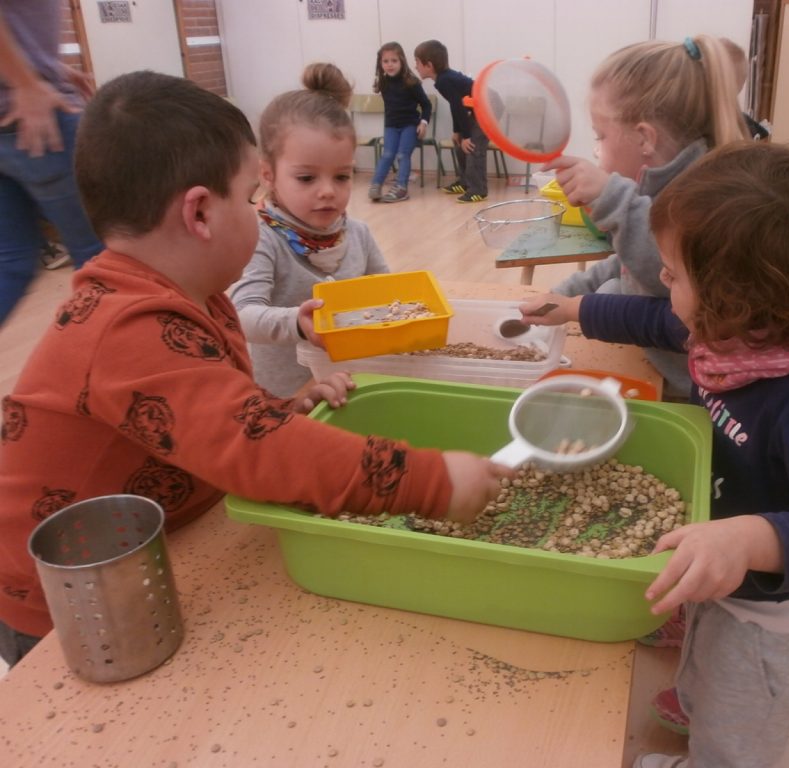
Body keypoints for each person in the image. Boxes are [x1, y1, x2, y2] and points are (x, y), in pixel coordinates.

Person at [0, 71, 514, 669]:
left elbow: (211, 413)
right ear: (200, 212)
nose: (259, 211)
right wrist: (431, 482)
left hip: (168, 536)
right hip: (72, 601)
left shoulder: (196, 296)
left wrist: (280, 408)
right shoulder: (125, 328)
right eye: (250, 198)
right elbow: (256, 448)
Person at [518, 141, 789, 768]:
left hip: (768, 617)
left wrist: (748, 539)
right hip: (724, 574)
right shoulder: (731, 336)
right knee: (703, 673)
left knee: (735, 735)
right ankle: (699, 710)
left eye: (674, 274)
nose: (662, 280)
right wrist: (573, 308)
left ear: (734, 301)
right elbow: (654, 322)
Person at [541, 37, 750, 400]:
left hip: (693, 390)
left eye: (600, 136)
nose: (596, 151)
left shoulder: (706, 195)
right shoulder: (660, 180)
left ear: (644, 138)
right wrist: (562, 294)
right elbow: (624, 265)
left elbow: (668, 276)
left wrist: (616, 202)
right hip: (655, 358)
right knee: (609, 289)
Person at [229, 62, 389, 398]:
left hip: (351, 383)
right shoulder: (261, 237)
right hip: (284, 400)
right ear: (268, 174)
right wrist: (297, 323)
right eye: (306, 178)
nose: (328, 191)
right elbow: (242, 315)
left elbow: (387, 294)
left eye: (342, 176)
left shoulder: (357, 234)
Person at [0, 0, 103, 325]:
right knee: (105, 258)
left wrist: (51, 67)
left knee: (11, 261)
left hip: (12, 118)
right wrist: (26, 83)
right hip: (36, 120)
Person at [413, 39, 489, 204]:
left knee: (472, 146)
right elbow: (456, 105)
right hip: (478, 108)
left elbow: (458, 106)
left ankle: (478, 190)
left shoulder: (444, 80)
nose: (415, 66)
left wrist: (466, 136)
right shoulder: (443, 79)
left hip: (488, 107)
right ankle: (465, 182)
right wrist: (458, 132)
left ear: (429, 65)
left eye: (417, 62)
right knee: (460, 144)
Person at [368, 42, 432, 203]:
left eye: (394, 61)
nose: (390, 65)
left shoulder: (411, 82)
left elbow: (426, 104)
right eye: (386, 61)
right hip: (391, 126)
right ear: (380, 64)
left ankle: (401, 188)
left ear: (402, 61)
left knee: (403, 155)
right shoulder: (383, 82)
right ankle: (376, 184)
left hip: (410, 125)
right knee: (388, 154)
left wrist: (423, 123)